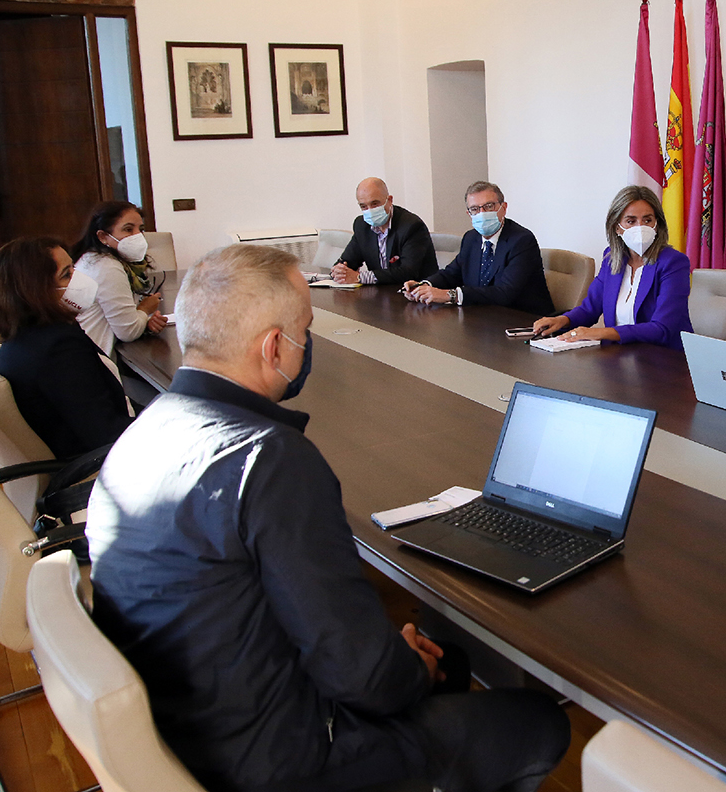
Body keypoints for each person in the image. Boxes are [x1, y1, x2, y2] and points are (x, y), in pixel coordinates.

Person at [84, 244, 569, 792]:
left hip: (178, 726)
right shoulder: (268, 458)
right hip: (280, 759)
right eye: (306, 329)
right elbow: (366, 680)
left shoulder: (143, 431)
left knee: (447, 664)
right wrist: (403, 665)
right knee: (536, 719)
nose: (307, 344)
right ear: (273, 346)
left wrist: (388, 656)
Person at [0, 237, 133, 460]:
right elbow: (105, 434)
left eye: (74, 269)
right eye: (67, 274)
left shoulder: (22, 337)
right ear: (36, 290)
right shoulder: (59, 348)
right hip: (92, 468)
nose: (78, 280)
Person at [531, 185, 692, 350]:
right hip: (619, 356)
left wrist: (601, 333)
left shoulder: (673, 263)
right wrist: (562, 320)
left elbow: (662, 329)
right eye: (631, 221)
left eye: (647, 220)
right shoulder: (612, 258)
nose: (640, 227)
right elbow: (590, 309)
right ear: (617, 227)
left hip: (663, 358)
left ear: (657, 224)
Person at [403, 181, 555, 316]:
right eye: (475, 209)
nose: (482, 213)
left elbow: (505, 292)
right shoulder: (471, 238)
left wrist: (450, 295)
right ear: (469, 214)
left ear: (504, 208)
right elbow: (451, 274)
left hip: (522, 320)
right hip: (482, 318)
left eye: (489, 206)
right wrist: (423, 286)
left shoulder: (522, 240)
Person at [71, 201, 168, 357]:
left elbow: (123, 320)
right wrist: (145, 309)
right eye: (128, 229)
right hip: (95, 361)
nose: (137, 236)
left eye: (140, 229)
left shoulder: (92, 258)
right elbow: (128, 332)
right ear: (103, 236)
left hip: (85, 352)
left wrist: (143, 322)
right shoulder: (106, 266)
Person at [331, 177, 438, 286]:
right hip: (381, 294)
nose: (370, 210)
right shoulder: (362, 225)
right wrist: (339, 271)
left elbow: (408, 272)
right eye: (364, 206)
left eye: (375, 204)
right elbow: (348, 261)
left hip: (417, 294)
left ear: (390, 200)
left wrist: (359, 277)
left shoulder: (411, 226)